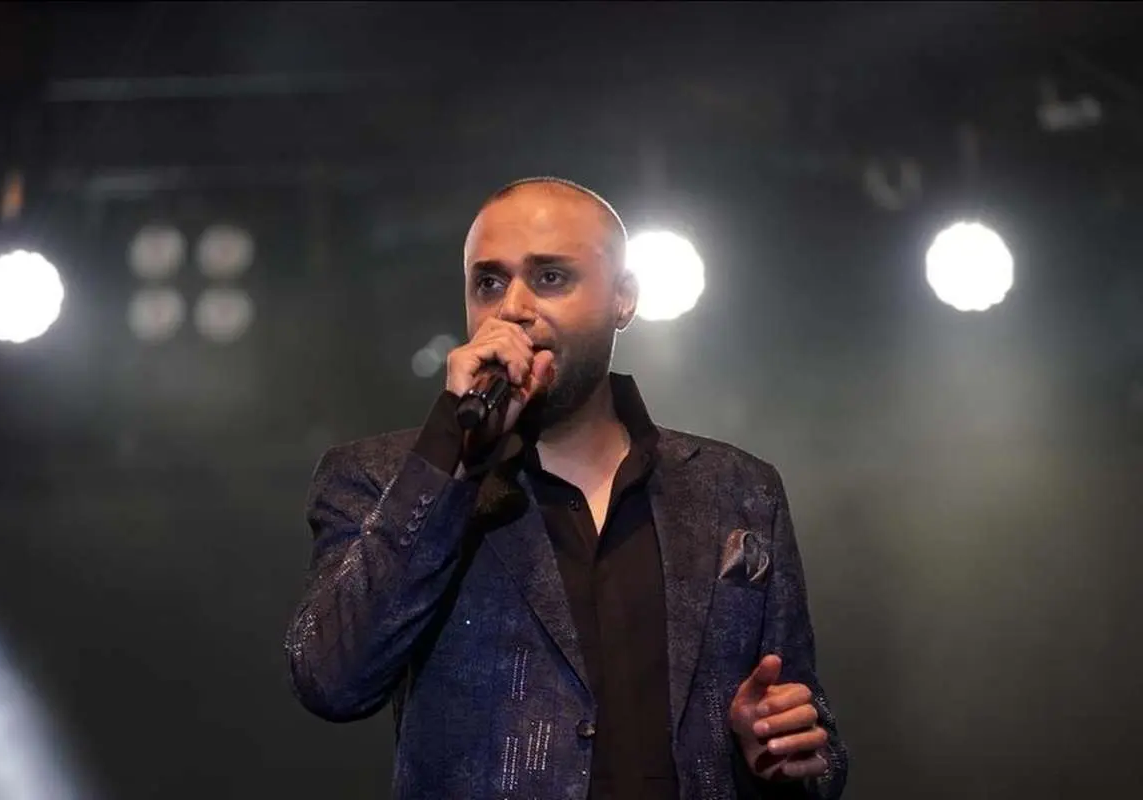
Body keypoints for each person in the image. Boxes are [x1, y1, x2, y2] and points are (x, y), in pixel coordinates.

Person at [285, 177, 848, 800]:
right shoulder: (386, 477)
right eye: (489, 283)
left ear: (623, 299)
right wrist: (452, 454)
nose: (513, 308)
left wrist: (776, 750)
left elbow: (812, 740)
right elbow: (332, 679)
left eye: (550, 277)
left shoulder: (737, 489)